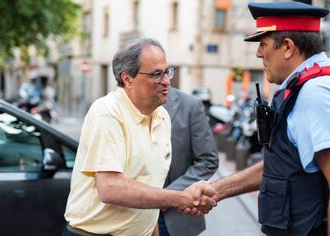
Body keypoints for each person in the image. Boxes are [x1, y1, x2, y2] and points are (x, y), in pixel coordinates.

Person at [190, 1, 330, 235]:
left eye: (264, 44)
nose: (258, 53)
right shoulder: (312, 84)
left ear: (287, 47)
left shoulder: (317, 94)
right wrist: (218, 189)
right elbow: (288, 163)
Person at [63, 38, 216, 236]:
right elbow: (110, 188)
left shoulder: (162, 116)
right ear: (127, 79)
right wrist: (179, 198)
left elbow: (149, 188)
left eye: (167, 72)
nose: (167, 81)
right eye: (156, 74)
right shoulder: (107, 112)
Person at [157, 86, 219, 236]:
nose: (164, 79)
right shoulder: (118, 107)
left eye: (166, 71)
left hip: (173, 217)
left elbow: (208, 160)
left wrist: (168, 197)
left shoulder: (190, 105)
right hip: (129, 216)